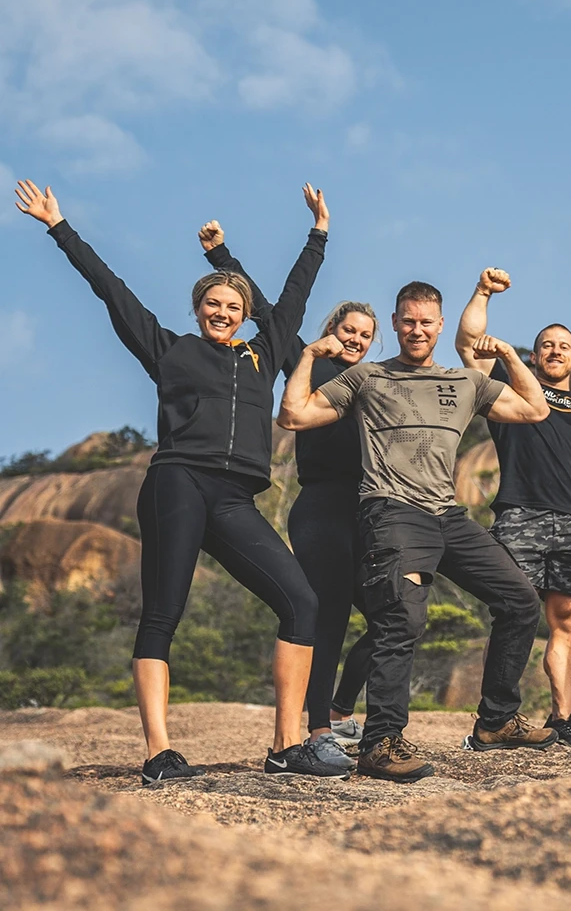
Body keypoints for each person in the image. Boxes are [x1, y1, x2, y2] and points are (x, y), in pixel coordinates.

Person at [14, 179, 349, 782]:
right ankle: (159, 752)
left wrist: (318, 232)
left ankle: (286, 744)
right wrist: (58, 226)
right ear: (197, 311)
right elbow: (111, 291)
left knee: (301, 601)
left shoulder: (264, 354)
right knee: (164, 613)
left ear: (246, 315)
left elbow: (296, 295)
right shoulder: (169, 351)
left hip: (235, 497)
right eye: (212, 305)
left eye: (233, 307)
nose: (223, 313)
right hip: (177, 484)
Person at [277, 280, 557, 784]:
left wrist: (512, 357)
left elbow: (535, 409)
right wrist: (308, 356)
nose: (417, 330)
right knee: (401, 618)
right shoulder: (367, 377)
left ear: (440, 325)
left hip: (447, 514)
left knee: (519, 600)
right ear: (396, 322)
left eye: (426, 321)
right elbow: (294, 414)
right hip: (393, 512)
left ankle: (495, 720)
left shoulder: (465, 381)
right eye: (408, 320)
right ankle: (381, 742)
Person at [200, 226, 377, 770]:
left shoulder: (375, 380)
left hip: (369, 508)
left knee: (395, 613)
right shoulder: (308, 359)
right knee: (325, 618)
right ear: (332, 329)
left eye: (366, 335)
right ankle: (318, 728)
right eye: (349, 329)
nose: (356, 339)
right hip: (321, 506)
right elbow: (269, 313)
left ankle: (344, 708)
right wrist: (220, 256)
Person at [455, 268, 571, 750]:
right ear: (534, 354)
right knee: (514, 611)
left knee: (567, 620)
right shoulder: (509, 392)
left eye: (564, 345)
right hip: (518, 516)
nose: (556, 350)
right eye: (547, 344)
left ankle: (562, 720)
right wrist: (483, 293)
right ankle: (499, 716)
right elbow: (469, 345)